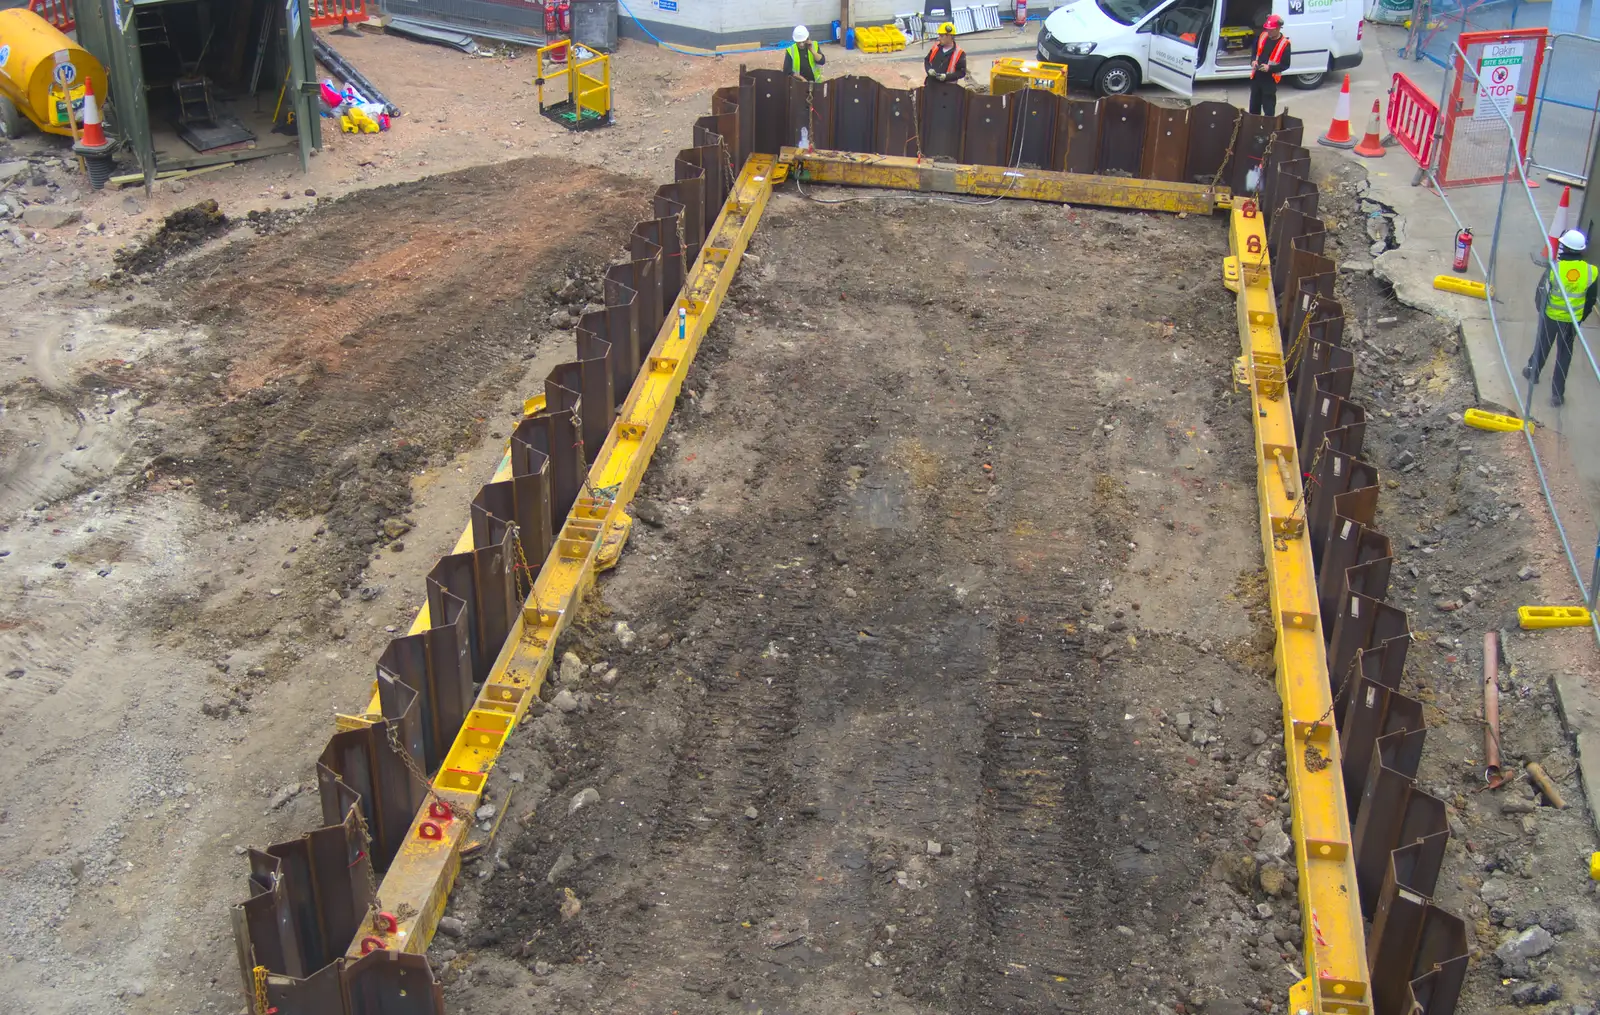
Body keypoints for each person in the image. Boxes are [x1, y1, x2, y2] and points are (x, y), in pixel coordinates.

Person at [1525, 228, 1599, 407]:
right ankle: (1557, 394)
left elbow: (1541, 293)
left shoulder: (1555, 268)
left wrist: (1541, 312)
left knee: (1543, 344)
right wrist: (1579, 318)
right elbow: (1590, 300)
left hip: (1551, 317)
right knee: (1564, 354)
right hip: (1571, 322)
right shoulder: (1591, 271)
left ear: (1564, 248)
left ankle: (1533, 373)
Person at [1249, 15, 1291, 117]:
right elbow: (1254, 52)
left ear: (1278, 28)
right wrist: (1253, 61)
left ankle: (1268, 130)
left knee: (1269, 109)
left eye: (1271, 30)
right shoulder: (1263, 36)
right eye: (1267, 29)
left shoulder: (1284, 44)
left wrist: (1269, 68)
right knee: (1254, 107)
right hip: (1257, 77)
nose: (1268, 32)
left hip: (1269, 80)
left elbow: (1285, 65)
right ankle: (1253, 128)